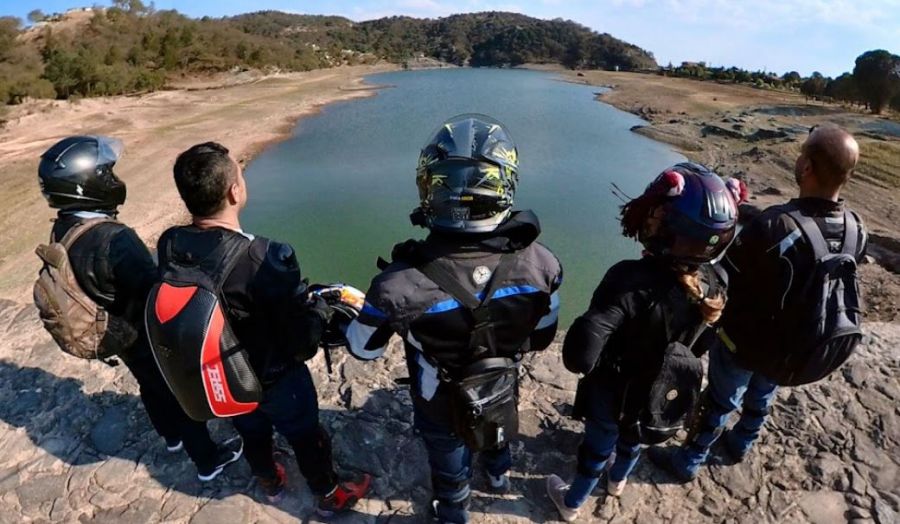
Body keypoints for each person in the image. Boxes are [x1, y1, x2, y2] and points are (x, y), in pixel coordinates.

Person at [344, 114, 562, 524]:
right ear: (505, 186)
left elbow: (362, 350)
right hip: (501, 378)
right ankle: (498, 476)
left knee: (448, 457)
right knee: (498, 425)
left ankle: (455, 509)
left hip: (438, 399)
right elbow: (543, 337)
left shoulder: (397, 284)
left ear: (429, 188)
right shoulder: (543, 264)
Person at [157, 141, 370, 515]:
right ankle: (327, 493)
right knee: (306, 434)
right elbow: (300, 342)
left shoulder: (171, 243)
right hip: (275, 377)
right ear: (234, 192)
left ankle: (269, 481)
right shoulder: (265, 256)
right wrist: (320, 310)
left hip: (222, 372)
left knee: (252, 431)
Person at [649, 124, 867, 481]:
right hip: (798, 345)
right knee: (763, 395)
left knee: (719, 400)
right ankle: (741, 443)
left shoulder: (774, 226)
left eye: (802, 155)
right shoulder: (856, 228)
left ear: (807, 167)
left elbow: (723, 276)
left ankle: (689, 461)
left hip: (746, 344)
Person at [547, 163, 741, 522]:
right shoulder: (717, 283)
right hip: (658, 395)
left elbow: (580, 357)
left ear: (664, 228)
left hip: (614, 390)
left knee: (598, 444)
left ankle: (572, 503)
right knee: (632, 439)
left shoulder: (628, 278)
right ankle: (617, 482)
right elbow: (700, 345)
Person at [36, 135, 234, 481]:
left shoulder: (65, 225)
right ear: (86, 185)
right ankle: (207, 460)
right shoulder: (113, 237)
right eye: (106, 173)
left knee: (149, 385)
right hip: (142, 332)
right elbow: (154, 293)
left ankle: (170, 436)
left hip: (115, 331)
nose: (113, 180)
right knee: (177, 392)